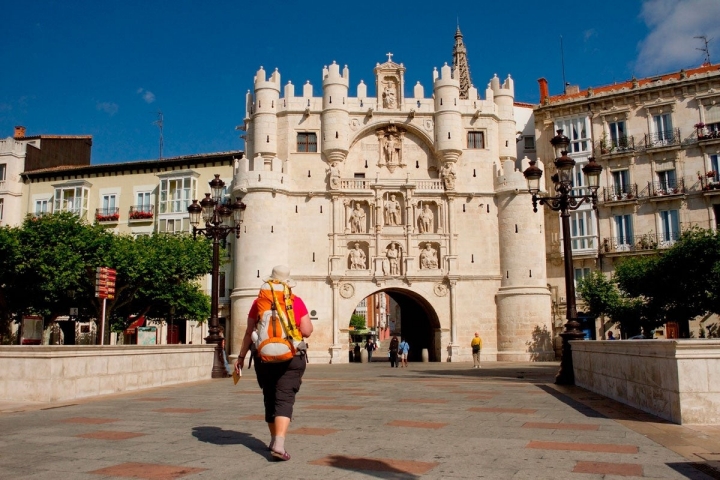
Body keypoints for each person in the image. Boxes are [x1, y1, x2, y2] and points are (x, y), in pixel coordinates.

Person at [234, 265, 313, 462]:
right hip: (292, 356)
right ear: (288, 284)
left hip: (264, 357)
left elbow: (248, 332)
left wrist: (241, 357)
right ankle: (279, 443)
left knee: (270, 396)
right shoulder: (296, 301)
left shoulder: (258, 302)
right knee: (285, 398)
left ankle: (272, 440)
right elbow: (307, 330)